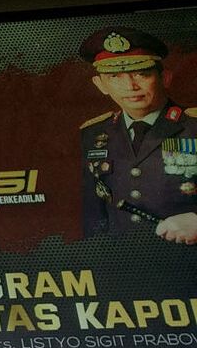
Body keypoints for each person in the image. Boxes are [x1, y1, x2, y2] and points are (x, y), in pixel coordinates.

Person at [79, 26, 197, 244]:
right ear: (100, 85)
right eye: (115, 76)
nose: (130, 86)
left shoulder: (193, 126)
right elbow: (93, 215)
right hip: (123, 265)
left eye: (141, 74)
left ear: (165, 77)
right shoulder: (93, 134)